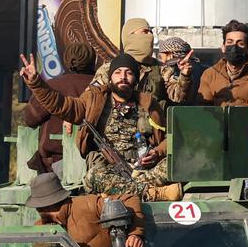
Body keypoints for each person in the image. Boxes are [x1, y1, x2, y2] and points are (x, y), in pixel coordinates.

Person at [19, 50, 173, 199]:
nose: (123, 77)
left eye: (129, 73)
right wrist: (36, 83)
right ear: (110, 77)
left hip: (144, 169)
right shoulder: (95, 99)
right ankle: (153, 193)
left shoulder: (149, 104)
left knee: (172, 165)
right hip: (108, 171)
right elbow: (63, 105)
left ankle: (125, 190)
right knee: (93, 177)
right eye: (118, 72)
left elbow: (169, 138)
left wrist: (157, 153)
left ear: (136, 79)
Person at [170, 19, 248, 157]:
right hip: (212, 147)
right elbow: (201, 112)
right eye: (230, 42)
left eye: (240, 43)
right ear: (223, 47)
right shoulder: (210, 75)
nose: (234, 47)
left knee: (238, 172)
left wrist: (240, 148)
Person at [16, 172, 143, 247]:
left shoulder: (87, 205)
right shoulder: (44, 229)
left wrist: (135, 234)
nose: (38, 210)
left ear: (46, 206)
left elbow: (129, 199)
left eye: (39, 207)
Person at [23, 41, 96, 175]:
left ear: (66, 60)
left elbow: (29, 119)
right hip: (95, 163)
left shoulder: (52, 86)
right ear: (93, 61)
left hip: (55, 166)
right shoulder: (101, 88)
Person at [93, 18, 166, 101]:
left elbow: (176, 96)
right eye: (145, 32)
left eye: (151, 32)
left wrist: (184, 75)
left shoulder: (160, 68)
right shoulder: (110, 69)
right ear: (131, 36)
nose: (151, 36)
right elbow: (92, 96)